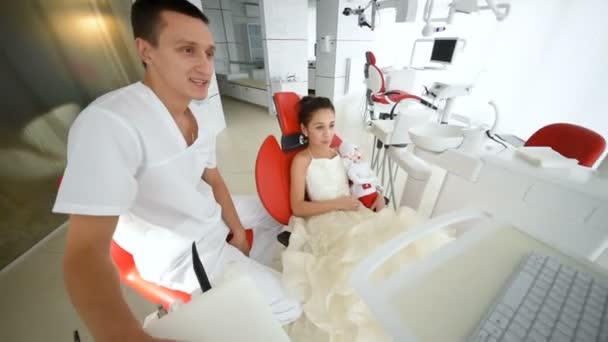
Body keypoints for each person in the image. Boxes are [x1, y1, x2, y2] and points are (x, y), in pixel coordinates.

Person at [53, 1, 300, 341]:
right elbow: (84, 253)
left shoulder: (197, 115)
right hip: (183, 253)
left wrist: (239, 232)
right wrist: (125, 336)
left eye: (209, 53)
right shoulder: (110, 122)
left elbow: (213, 179)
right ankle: (208, 303)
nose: (205, 66)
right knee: (291, 307)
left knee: (277, 213)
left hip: (207, 219)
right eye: (187, 50)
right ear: (146, 50)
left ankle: (240, 280)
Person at [282, 96, 452, 341]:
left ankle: (401, 302)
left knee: (391, 240)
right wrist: (339, 204)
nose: (327, 133)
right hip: (324, 219)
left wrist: (377, 196)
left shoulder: (339, 154)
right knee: (354, 261)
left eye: (331, 125)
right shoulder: (302, 161)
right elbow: (297, 207)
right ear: (304, 129)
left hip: (352, 211)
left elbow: (361, 183)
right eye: (319, 127)